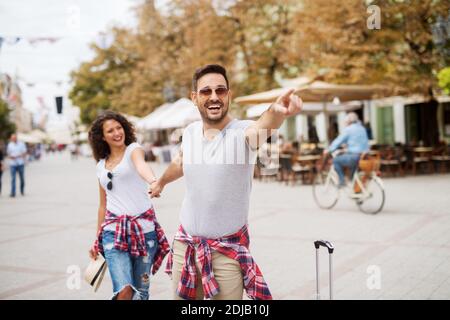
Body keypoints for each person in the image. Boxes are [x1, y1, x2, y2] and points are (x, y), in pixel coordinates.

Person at [150, 64, 302, 300]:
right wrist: (161, 181)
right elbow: (180, 162)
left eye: (220, 91)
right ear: (194, 97)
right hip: (185, 246)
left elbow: (262, 127)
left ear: (228, 95)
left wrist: (277, 111)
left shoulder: (242, 133)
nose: (214, 97)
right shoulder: (190, 132)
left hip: (226, 253)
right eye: (206, 91)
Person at [87, 111, 170, 300]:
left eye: (119, 127)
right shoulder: (100, 166)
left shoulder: (133, 149)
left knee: (141, 292)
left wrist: (153, 181)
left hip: (145, 233)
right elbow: (103, 205)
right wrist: (96, 239)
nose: (117, 133)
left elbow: (141, 165)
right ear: (102, 137)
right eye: (110, 130)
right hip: (112, 234)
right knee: (124, 290)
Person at [324, 112, 369, 187]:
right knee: (352, 171)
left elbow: (338, 141)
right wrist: (346, 148)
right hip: (364, 156)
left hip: (354, 156)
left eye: (346, 122)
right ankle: (353, 186)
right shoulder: (362, 128)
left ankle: (342, 181)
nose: (345, 123)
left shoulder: (349, 129)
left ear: (349, 121)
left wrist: (329, 149)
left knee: (336, 161)